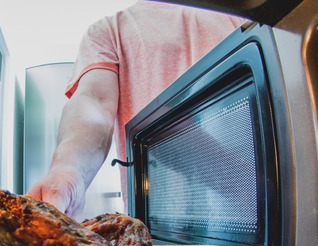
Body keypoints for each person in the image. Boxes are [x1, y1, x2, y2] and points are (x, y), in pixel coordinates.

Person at [26, 1, 244, 219]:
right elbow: (94, 101)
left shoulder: (243, 12)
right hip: (156, 230)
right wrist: (67, 168)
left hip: (250, 214)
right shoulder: (109, 30)